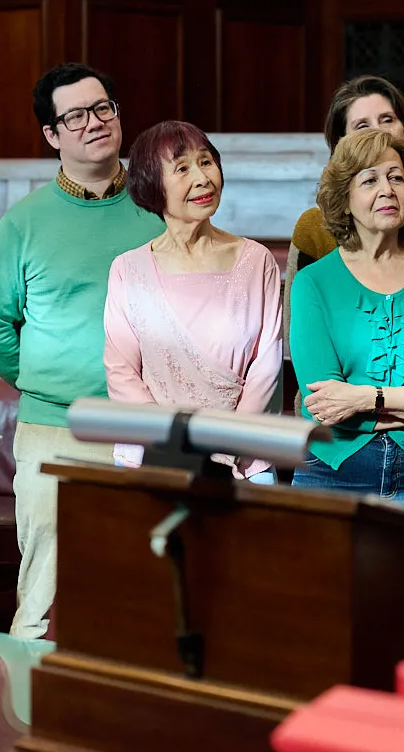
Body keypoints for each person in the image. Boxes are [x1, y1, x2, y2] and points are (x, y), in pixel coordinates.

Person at [0, 63, 158, 637]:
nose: (95, 123)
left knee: (141, 596)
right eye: (76, 116)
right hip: (56, 429)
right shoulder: (23, 223)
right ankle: (27, 720)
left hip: (149, 430)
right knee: (41, 602)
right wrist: (43, 379)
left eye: (103, 108)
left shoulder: (159, 207)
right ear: (52, 135)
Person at [288, 128, 404, 512]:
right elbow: (320, 404)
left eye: (396, 177)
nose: (388, 189)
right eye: (370, 179)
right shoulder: (313, 283)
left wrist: (365, 398)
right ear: (345, 198)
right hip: (330, 470)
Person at [286, 74, 404, 446]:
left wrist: (365, 400)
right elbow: (312, 377)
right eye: (361, 126)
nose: (380, 134)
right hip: (334, 438)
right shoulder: (313, 229)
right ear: (341, 147)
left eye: (387, 120)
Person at [103, 121, 283, 483]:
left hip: (243, 462)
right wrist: (173, 449)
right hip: (152, 459)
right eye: (182, 168)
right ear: (152, 185)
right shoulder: (128, 269)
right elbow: (121, 373)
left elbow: (267, 367)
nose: (202, 178)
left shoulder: (256, 260)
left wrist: (225, 445)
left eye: (206, 162)